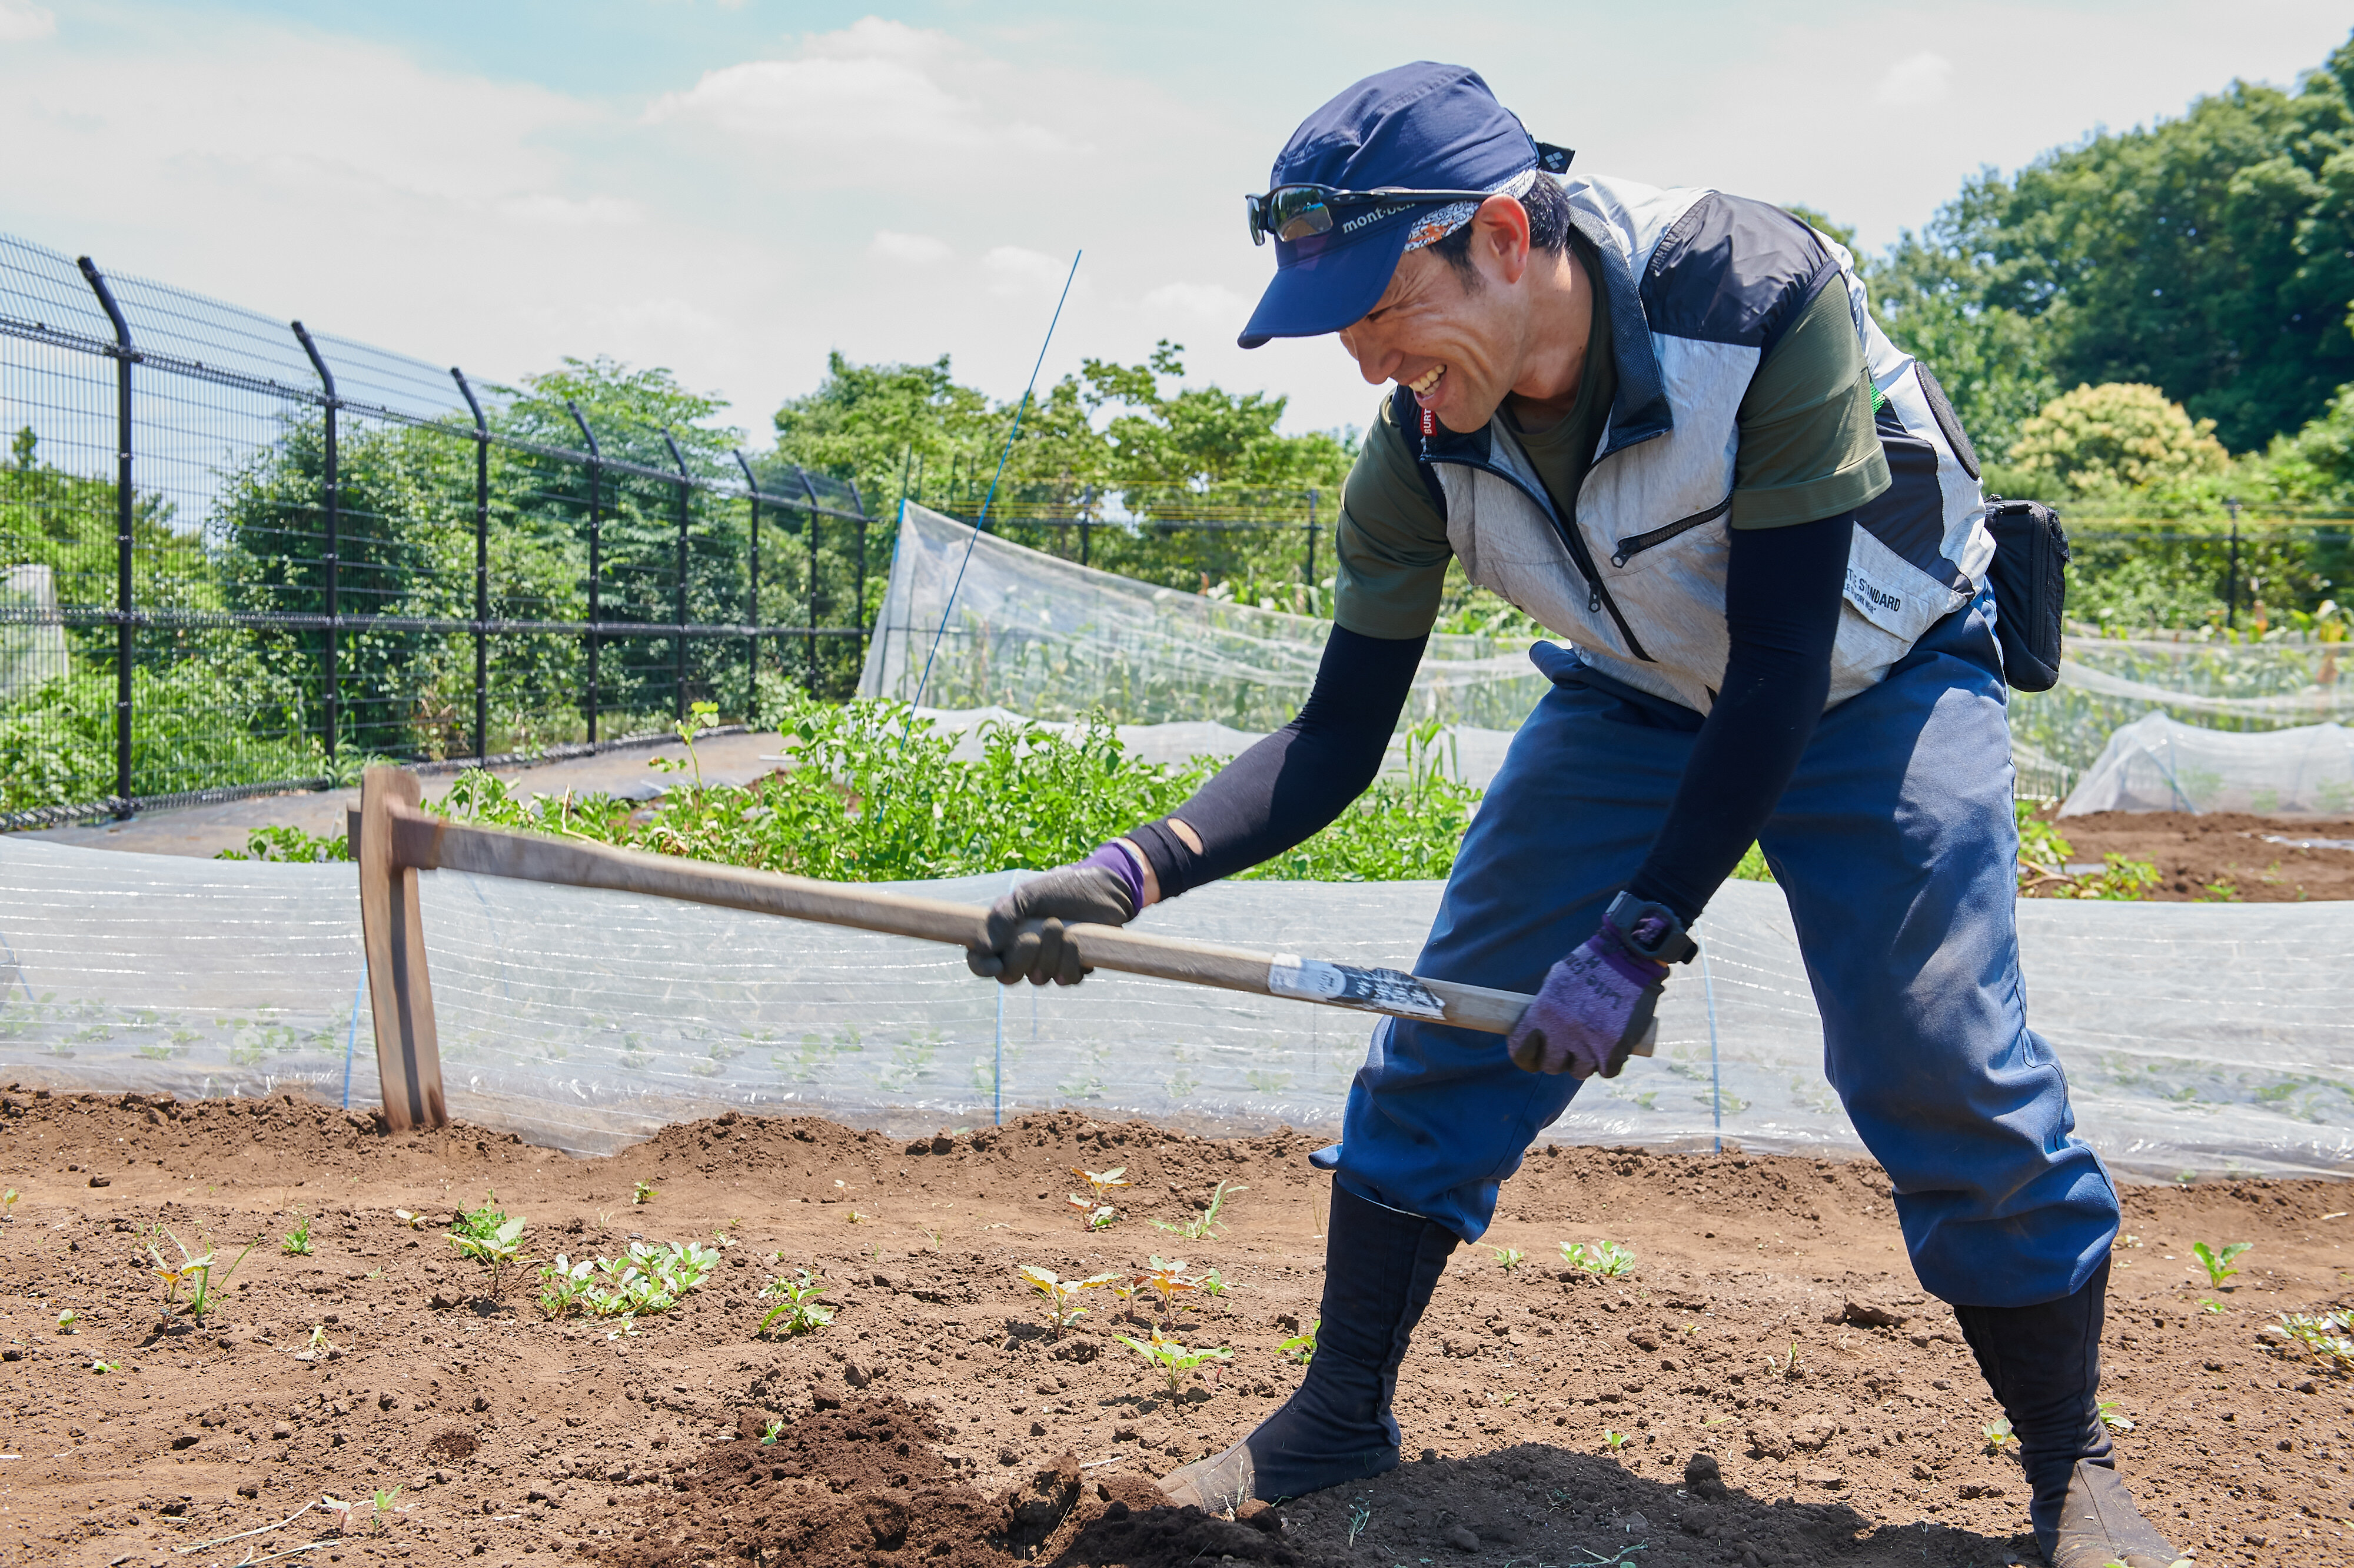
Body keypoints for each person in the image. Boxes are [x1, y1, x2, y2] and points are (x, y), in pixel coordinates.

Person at [967, 62, 2180, 1568]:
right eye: (1341, 330)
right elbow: (1338, 736)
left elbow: (1784, 670)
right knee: (1451, 1020)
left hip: (1876, 677)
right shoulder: (1420, 449)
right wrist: (1126, 874)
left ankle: (2073, 1472)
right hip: (1642, 696)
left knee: (1934, 1051)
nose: (1365, 364)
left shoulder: (1751, 298)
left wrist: (1635, 938)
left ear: (1496, 233)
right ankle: (1338, 1411)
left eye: (1379, 310)